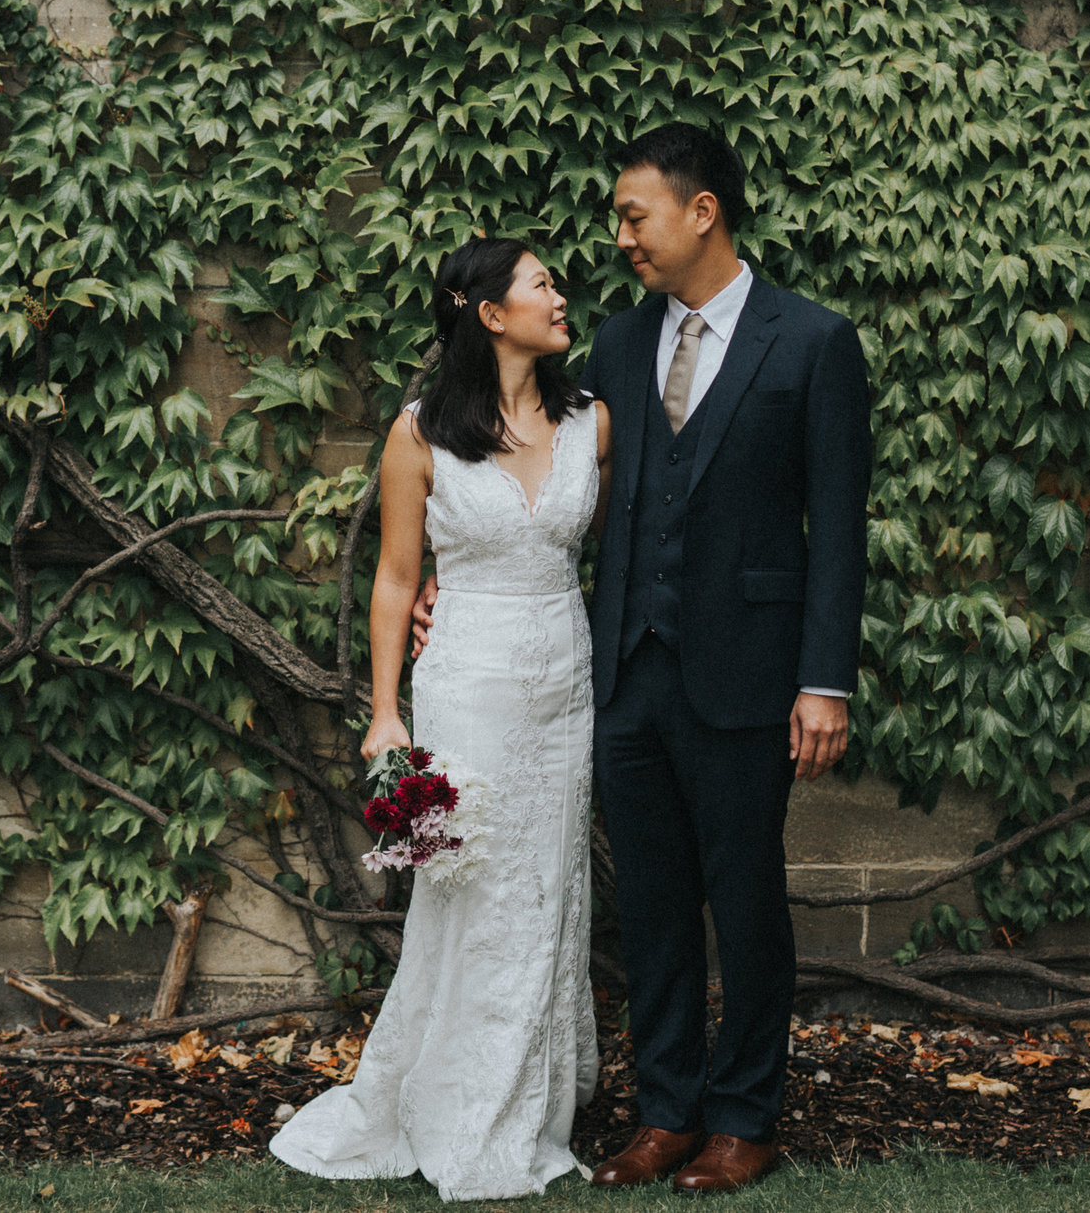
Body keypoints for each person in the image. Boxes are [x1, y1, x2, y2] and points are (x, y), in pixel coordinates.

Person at [270, 237, 613, 1201]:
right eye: (541, 282)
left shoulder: (594, 420)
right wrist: (384, 712)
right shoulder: (419, 432)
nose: (560, 293)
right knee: (472, 891)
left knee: (550, 883)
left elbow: (599, 556)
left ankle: (535, 1103)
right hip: (468, 683)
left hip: (566, 682)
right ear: (491, 313)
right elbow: (394, 578)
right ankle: (458, 1105)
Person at [574, 122, 871, 1194]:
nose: (620, 237)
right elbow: (572, 491)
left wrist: (823, 678)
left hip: (748, 673)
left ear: (702, 210)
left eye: (633, 214)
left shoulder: (812, 342)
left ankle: (745, 1114)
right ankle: (665, 1108)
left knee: (744, 900)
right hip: (628, 672)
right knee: (648, 902)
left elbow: (837, 524)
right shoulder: (613, 343)